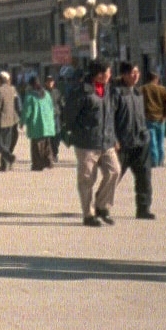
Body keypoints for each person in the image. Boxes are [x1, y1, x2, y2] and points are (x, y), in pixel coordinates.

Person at [63, 60, 119, 227]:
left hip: (106, 141)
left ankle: (102, 205)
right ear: (99, 74)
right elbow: (68, 116)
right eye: (108, 72)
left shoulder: (109, 90)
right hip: (86, 143)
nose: (110, 75)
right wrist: (78, 133)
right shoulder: (82, 92)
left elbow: (110, 116)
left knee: (114, 171)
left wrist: (114, 138)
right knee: (87, 179)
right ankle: (88, 215)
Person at [113, 62, 154, 219]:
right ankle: (100, 205)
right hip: (122, 143)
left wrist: (146, 135)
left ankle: (143, 209)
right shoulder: (116, 93)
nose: (136, 75)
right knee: (113, 177)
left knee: (144, 177)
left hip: (140, 142)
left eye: (137, 72)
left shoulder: (138, 93)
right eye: (132, 72)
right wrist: (114, 139)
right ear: (124, 74)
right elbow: (109, 118)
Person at [20, 75, 56, 171]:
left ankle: (37, 165)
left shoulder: (30, 96)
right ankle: (48, 162)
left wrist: (22, 122)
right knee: (46, 144)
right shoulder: (47, 94)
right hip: (48, 123)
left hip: (36, 124)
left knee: (36, 146)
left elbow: (27, 111)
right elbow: (51, 108)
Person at [0, 71, 21, 171]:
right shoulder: (12, 89)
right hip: (11, 120)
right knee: (6, 143)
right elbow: (17, 104)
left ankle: (9, 157)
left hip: (0, 121)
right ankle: (4, 165)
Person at [141, 70, 166, 167]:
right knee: (160, 141)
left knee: (152, 141)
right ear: (156, 79)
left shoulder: (143, 89)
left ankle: (154, 161)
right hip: (161, 119)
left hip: (149, 118)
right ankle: (161, 160)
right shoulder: (162, 89)